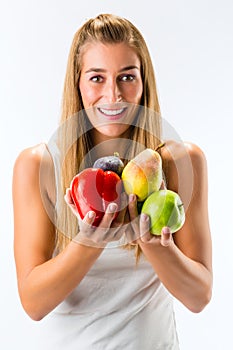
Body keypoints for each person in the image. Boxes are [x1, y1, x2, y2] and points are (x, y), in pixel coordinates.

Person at [12, 14, 212, 350]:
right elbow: (33, 303)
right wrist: (90, 242)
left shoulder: (180, 162)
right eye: (96, 78)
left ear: (144, 82)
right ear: (77, 83)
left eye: (127, 77)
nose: (113, 94)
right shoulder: (39, 165)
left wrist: (150, 243)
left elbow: (199, 296)